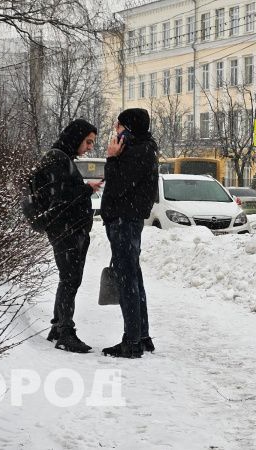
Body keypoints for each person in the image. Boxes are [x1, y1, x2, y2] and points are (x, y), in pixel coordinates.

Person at [36, 119, 103, 353]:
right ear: (76, 137)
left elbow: (62, 190)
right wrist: (86, 189)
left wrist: (85, 188)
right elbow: (61, 195)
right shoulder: (57, 158)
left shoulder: (62, 158)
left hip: (69, 229)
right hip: (66, 230)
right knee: (70, 279)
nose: (89, 147)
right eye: (88, 141)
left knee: (69, 278)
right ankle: (65, 331)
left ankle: (58, 327)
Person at [100, 108, 159, 359]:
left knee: (128, 281)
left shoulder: (135, 151)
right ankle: (141, 336)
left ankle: (132, 341)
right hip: (129, 218)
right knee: (133, 277)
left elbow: (116, 186)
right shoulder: (145, 148)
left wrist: (112, 158)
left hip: (124, 219)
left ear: (129, 128)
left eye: (119, 126)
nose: (116, 130)